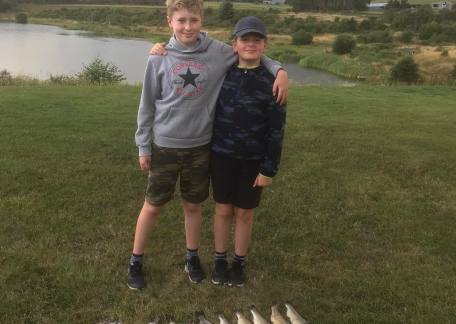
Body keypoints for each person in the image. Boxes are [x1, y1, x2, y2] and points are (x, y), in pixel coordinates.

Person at [128, 0, 288, 290]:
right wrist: (143, 146)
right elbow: (146, 105)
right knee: (152, 206)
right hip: (165, 145)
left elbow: (251, 52)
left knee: (193, 206)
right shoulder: (158, 58)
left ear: (202, 21)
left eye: (193, 20)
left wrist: (280, 70)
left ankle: (192, 257)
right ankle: (135, 260)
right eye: (181, 21)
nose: (187, 26)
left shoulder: (217, 52)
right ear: (170, 23)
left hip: (201, 147)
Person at [209, 16, 286, 287]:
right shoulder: (222, 72)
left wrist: (269, 168)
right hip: (221, 155)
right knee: (222, 209)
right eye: (245, 39)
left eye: (257, 40)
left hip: (254, 160)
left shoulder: (273, 82)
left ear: (265, 45)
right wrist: (160, 49)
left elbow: (277, 130)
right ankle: (220, 259)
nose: (251, 44)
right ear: (235, 44)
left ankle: (238, 262)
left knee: (244, 213)